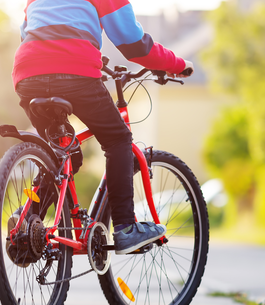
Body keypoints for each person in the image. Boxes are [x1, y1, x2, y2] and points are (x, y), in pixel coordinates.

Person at [12, 0, 193, 255]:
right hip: (76, 72)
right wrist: (176, 64)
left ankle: (27, 225)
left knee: (64, 154)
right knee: (118, 140)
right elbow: (134, 44)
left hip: (28, 75)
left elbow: (26, 32)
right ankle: (125, 228)